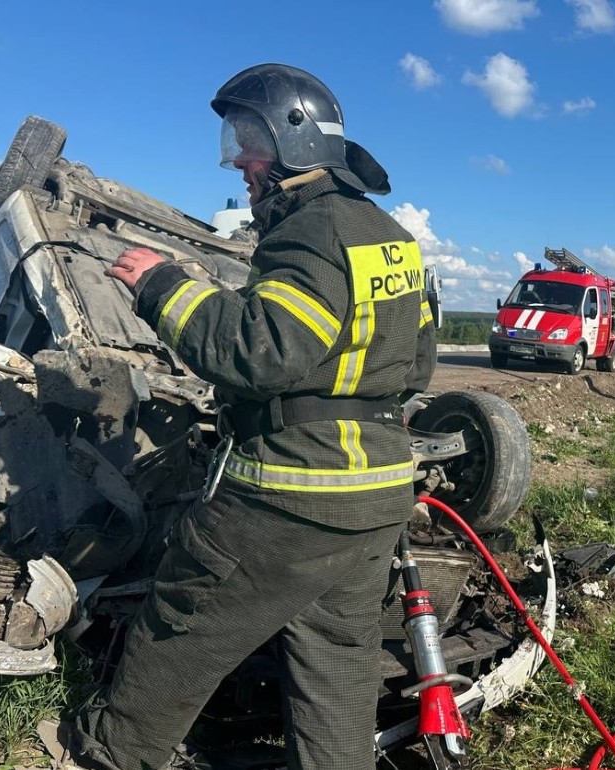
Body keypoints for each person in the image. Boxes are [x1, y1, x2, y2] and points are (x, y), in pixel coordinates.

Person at [66, 63, 437, 770]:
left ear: (295, 145)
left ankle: (111, 754)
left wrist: (162, 285)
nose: (238, 162)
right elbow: (413, 365)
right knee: (336, 659)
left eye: (248, 141)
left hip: (293, 491)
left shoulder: (308, 234)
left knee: (184, 620)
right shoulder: (387, 235)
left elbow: (257, 354)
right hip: (378, 489)